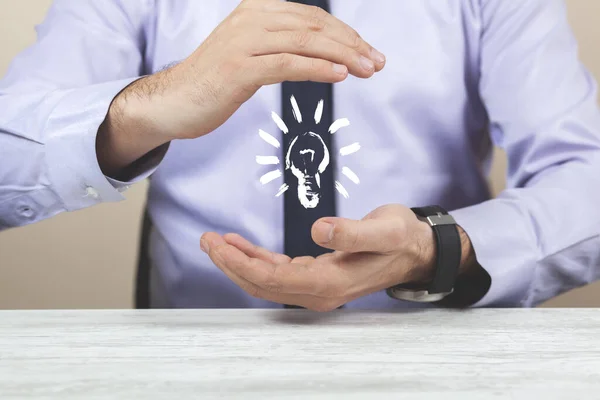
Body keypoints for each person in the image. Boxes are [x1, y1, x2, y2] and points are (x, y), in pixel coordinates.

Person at [1, 0, 600, 310]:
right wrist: (153, 102)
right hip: (193, 363)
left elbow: (588, 180)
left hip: (434, 360)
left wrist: (436, 248)